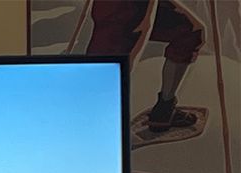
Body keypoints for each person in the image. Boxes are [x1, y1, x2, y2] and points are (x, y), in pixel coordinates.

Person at [88, 0, 207, 131]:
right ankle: (93, 123)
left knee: (192, 30)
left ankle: (164, 109)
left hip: (139, 6)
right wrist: (147, 18)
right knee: (108, 70)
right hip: (119, 10)